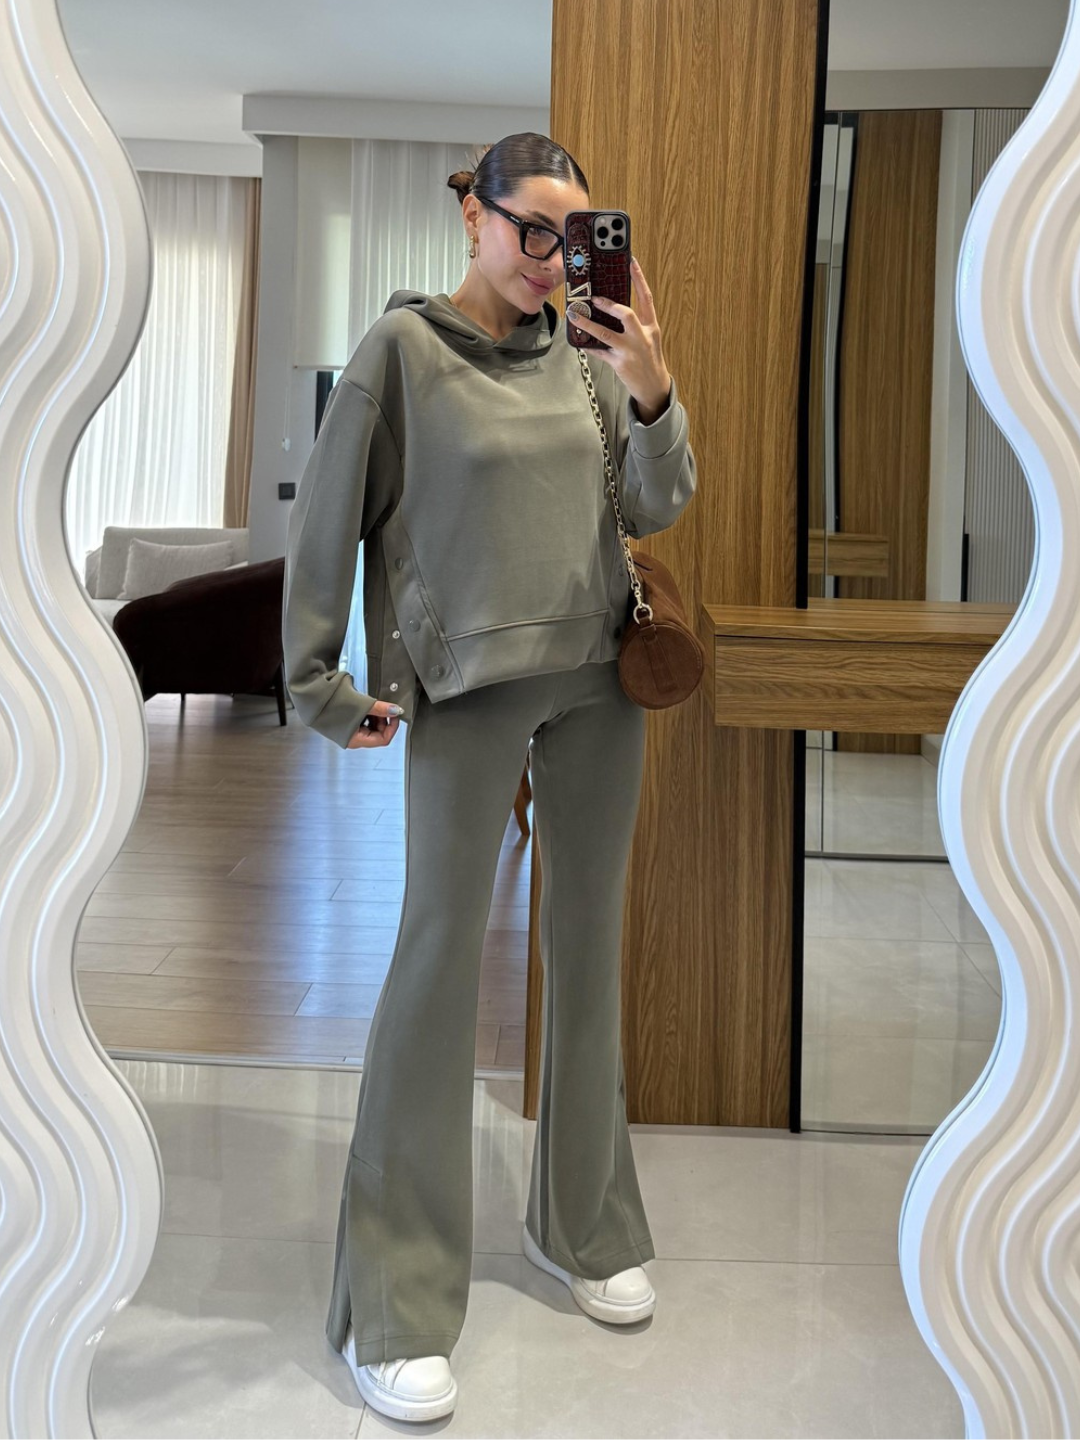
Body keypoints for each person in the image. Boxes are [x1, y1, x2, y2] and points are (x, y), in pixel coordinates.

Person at [281, 131, 696, 1424]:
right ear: (475, 215)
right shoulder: (401, 353)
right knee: (435, 965)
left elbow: (656, 507)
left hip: (599, 686)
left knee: (586, 954)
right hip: (464, 693)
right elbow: (327, 517)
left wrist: (650, 387)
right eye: (532, 231)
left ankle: (584, 1224)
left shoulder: (588, 354)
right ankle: (397, 1299)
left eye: (572, 238)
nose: (551, 260)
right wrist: (317, 681)